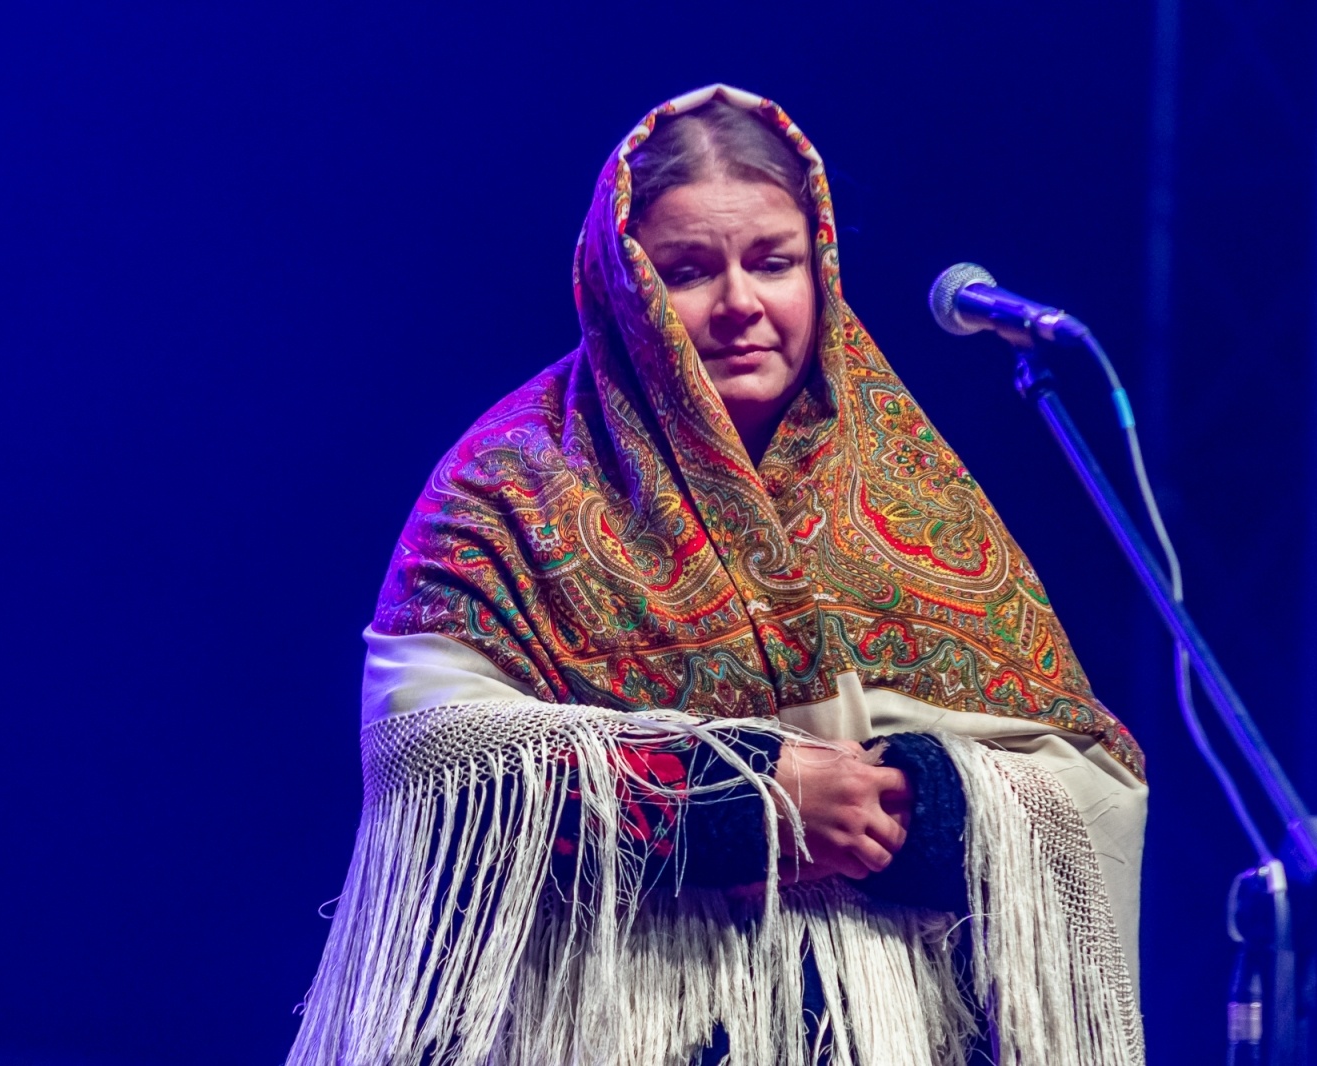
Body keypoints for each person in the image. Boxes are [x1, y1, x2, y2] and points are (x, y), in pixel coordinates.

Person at [287, 85, 1147, 1066]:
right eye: (688, 271)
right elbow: (433, 756)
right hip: (607, 1027)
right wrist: (753, 798)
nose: (740, 303)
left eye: (772, 262)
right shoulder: (513, 480)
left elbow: (1088, 775)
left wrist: (921, 802)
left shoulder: (913, 485)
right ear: (622, 286)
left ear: (819, 269)